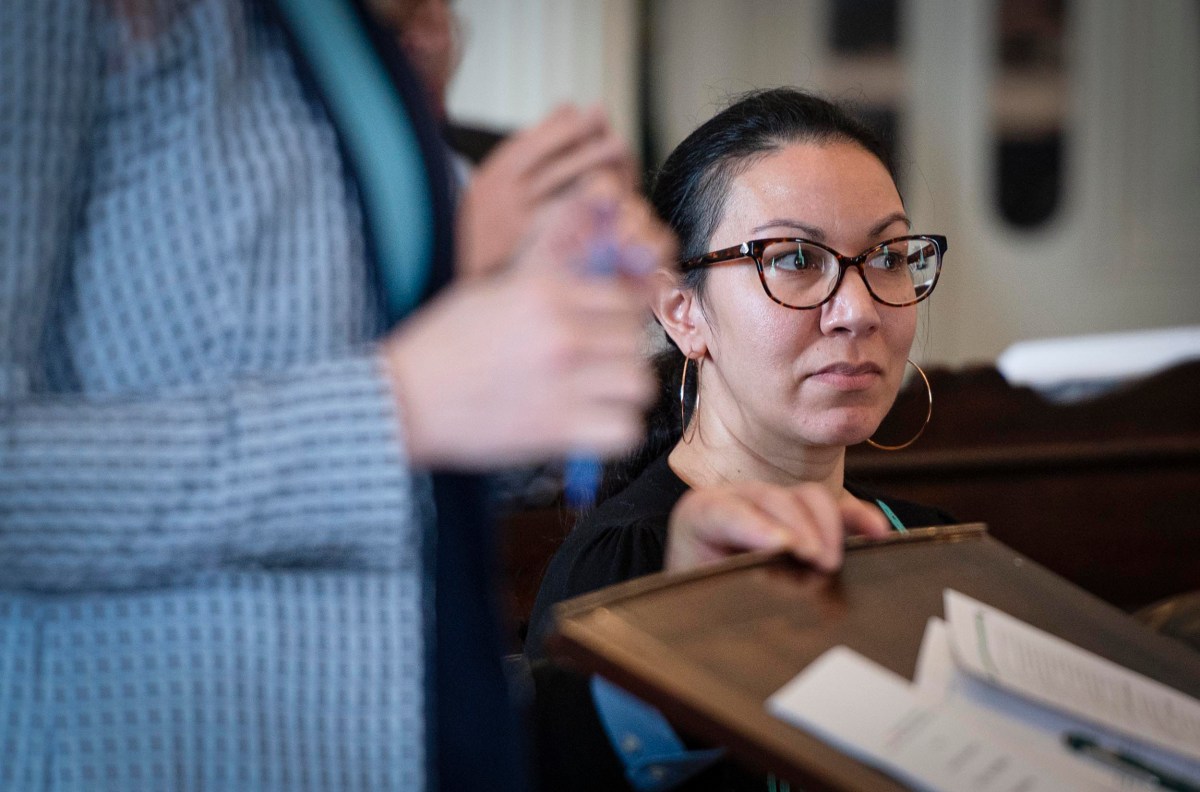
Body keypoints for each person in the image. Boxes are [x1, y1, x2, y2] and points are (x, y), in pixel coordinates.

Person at [0, 2, 672, 791]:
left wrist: (514, 311)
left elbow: (398, 455)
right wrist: (395, 408)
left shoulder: (341, 43)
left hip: (390, 728)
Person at [526, 88, 956, 791]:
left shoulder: (929, 543)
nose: (858, 309)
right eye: (793, 259)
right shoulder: (627, 569)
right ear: (681, 310)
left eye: (886, 255)